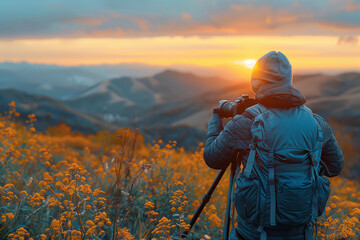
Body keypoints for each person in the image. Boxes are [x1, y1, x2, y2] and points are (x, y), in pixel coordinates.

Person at [203, 51, 344, 240]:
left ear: (256, 82)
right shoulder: (316, 122)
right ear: (288, 80)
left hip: (253, 233)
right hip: (303, 232)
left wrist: (216, 119)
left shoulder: (246, 122)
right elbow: (335, 167)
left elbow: (212, 158)